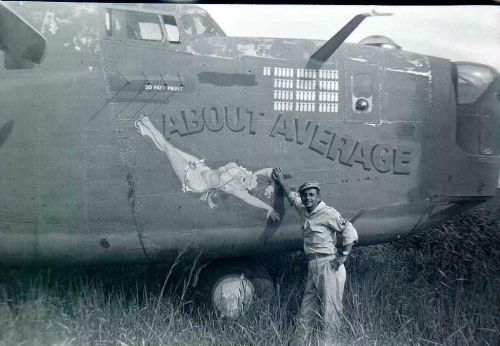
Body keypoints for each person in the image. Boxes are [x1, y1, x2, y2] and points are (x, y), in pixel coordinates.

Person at [134, 114, 280, 222]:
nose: (249, 176)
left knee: (170, 149)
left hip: (194, 180)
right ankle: (148, 133)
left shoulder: (236, 189)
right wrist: (272, 185)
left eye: (249, 181)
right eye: (251, 177)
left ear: (246, 187)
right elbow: (269, 170)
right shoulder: (246, 175)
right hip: (202, 168)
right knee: (171, 150)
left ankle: (149, 124)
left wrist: (269, 208)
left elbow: (250, 200)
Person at [272, 167, 358, 345]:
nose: (308, 198)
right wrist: (281, 182)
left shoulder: (328, 213)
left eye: (311, 195)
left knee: (330, 312)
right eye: (305, 195)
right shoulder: (305, 210)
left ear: (318, 197)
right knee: (307, 310)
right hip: (313, 266)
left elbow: (349, 230)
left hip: (329, 265)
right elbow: (293, 198)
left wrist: (343, 255)